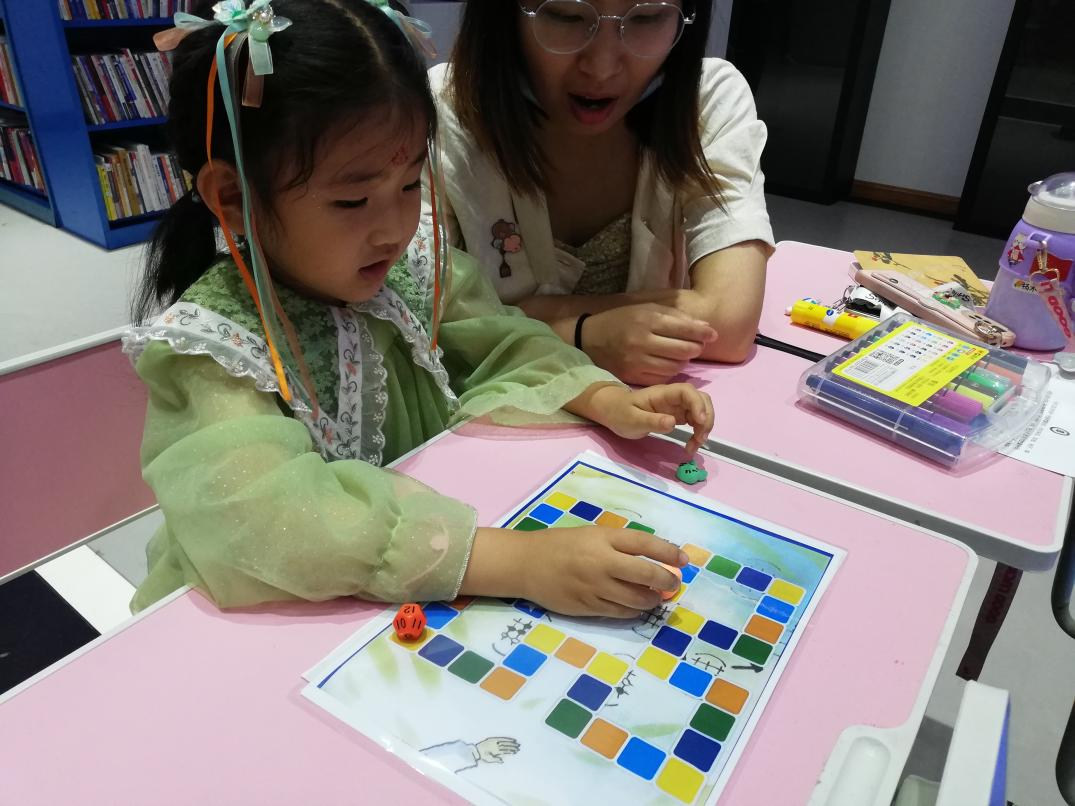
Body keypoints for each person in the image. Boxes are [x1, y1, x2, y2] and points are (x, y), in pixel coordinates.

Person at [124, 0, 713, 617]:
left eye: (410, 184)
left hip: (417, 579)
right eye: (352, 201)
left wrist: (603, 396)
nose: (394, 230)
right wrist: (517, 563)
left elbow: (503, 343)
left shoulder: (414, 270)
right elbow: (269, 521)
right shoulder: (213, 348)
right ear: (232, 197)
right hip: (268, 612)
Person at [432, 0, 775, 385]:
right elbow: (422, 329)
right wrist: (584, 334)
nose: (602, 67)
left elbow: (729, 321)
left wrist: (533, 314)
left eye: (647, 18)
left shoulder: (706, 101)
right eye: (566, 16)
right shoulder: (439, 116)